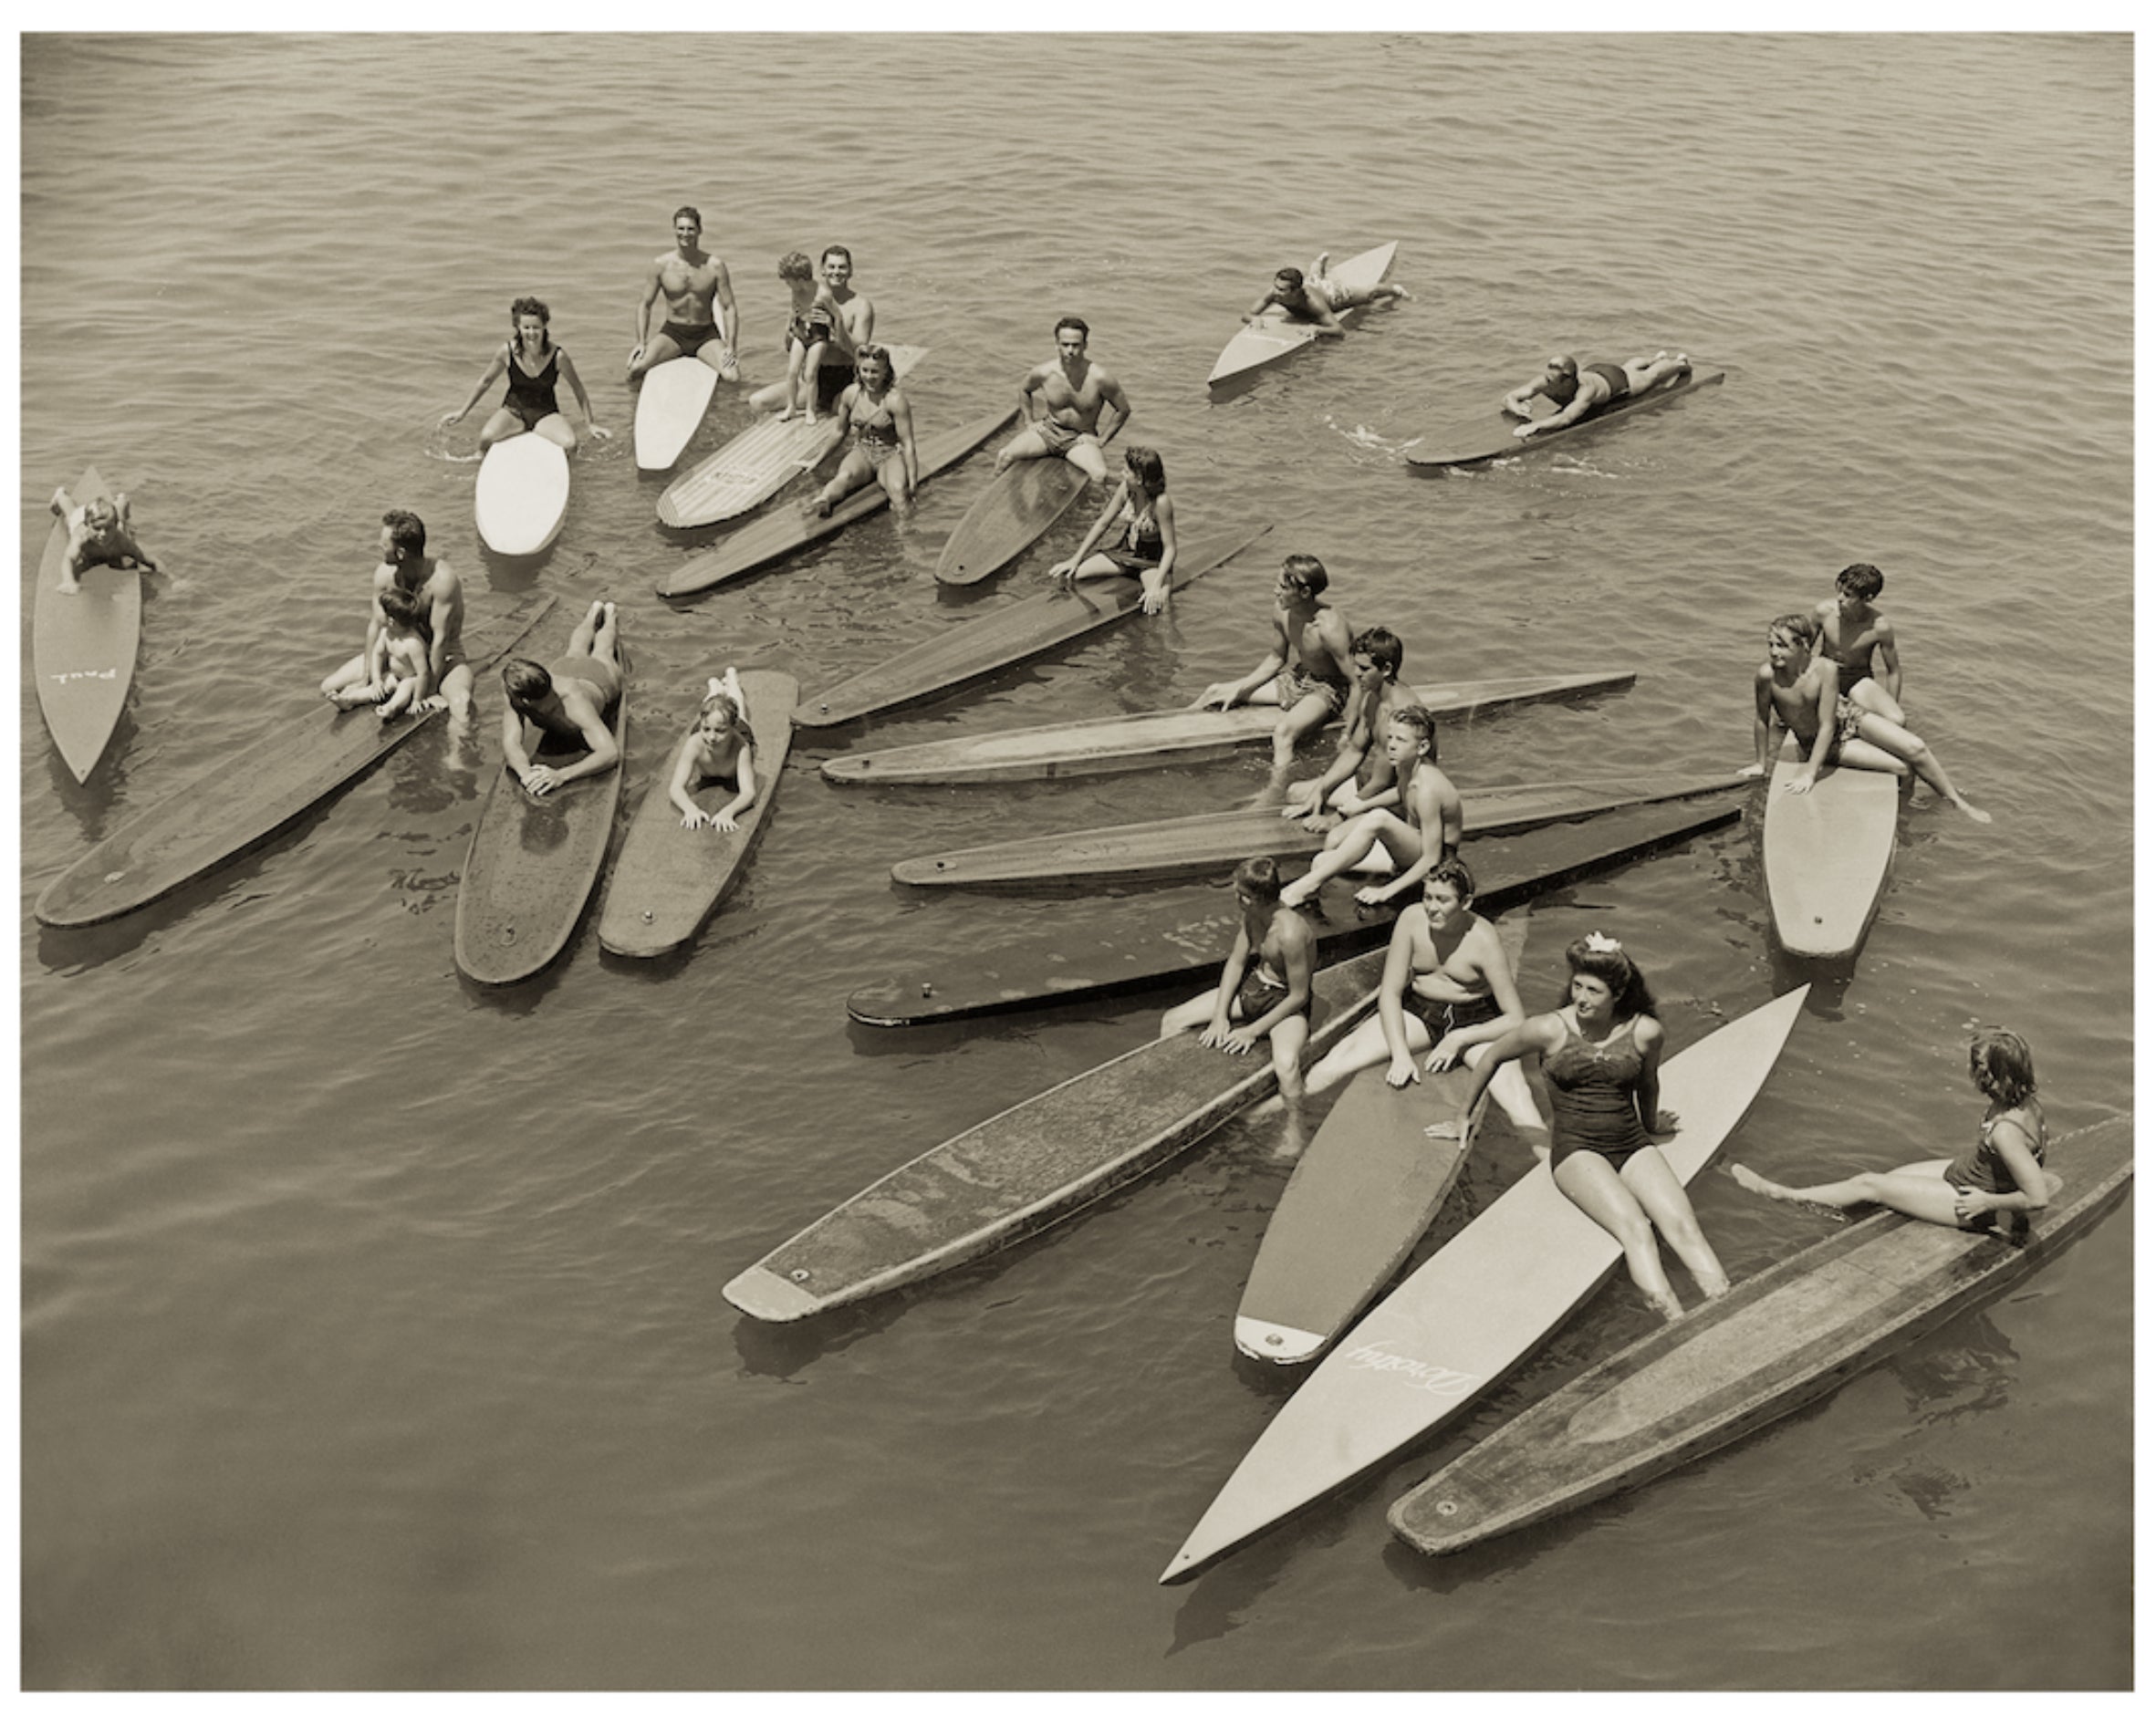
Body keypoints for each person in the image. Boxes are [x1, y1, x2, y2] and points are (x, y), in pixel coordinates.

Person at [1430, 931, 1730, 1323]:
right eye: (1577, 986)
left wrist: (1652, 1124)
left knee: (1684, 1227)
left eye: (1594, 991)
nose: (1582, 998)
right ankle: (1676, 1323)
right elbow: (1490, 1058)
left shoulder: (1645, 1032)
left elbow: (1648, 1083)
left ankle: (1726, 1308)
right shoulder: (1548, 1030)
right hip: (1577, 1149)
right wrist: (1462, 1117)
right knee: (1637, 1229)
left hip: (1631, 1142)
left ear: (1618, 994)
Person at [1732, 1028, 2060, 1234]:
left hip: (1971, 1203)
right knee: (1891, 1179)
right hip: (1970, 1175)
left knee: (1869, 1182)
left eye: (1976, 1069)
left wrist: (1987, 1203)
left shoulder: (2006, 1132)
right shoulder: (2026, 1101)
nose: (1970, 1073)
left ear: (1991, 1077)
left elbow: (2037, 1198)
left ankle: (1780, 1194)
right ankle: (1844, 1220)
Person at [1302, 857, 1544, 1138]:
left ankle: (1553, 1171)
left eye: (1443, 900)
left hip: (1475, 1018)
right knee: (1336, 1062)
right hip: (1421, 1010)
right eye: (1427, 897)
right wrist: (1401, 1054)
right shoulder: (1411, 919)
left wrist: (1459, 1038)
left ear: (1465, 903)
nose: (1432, 907)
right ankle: (1270, 1117)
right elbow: (1390, 992)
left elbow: (1515, 1018)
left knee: (1516, 1097)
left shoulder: (1483, 940)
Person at [1746, 611, 1989, 821]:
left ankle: (1959, 803)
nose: (1773, 652)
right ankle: (1901, 815)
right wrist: (1761, 764)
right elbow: (1761, 718)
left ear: (1804, 646)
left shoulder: (1825, 669)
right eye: (1770, 645)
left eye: (1781, 646)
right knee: (1904, 768)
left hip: (1848, 716)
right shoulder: (1767, 676)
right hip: (1827, 743)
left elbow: (1829, 722)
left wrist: (1810, 773)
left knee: (1916, 747)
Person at [1159, 857, 1318, 1102]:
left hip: (1284, 1003)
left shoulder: (1291, 933)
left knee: (1286, 1066)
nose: (1235, 897)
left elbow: (1299, 996)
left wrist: (1252, 1031)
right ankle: (1174, 1092)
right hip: (1254, 988)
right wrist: (1219, 1016)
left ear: (1251, 899)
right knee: (1172, 1020)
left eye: (1239, 892)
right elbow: (1236, 962)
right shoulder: (1252, 916)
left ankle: (1295, 1134)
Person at [1278, 705, 1461, 910]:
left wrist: (1386, 891)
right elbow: (1403, 792)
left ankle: (1305, 885)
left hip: (1440, 864)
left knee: (1378, 818)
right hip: (1410, 852)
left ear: (1422, 747)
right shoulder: (1406, 766)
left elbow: (1431, 859)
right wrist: (1362, 805)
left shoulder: (1428, 789)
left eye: (1401, 740)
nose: (1391, 745)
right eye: (1390, 737)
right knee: (1322, 861)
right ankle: (1310, 894)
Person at [1191, 554, 1357, 773]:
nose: (1275, 591)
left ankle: (1274, 791)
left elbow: (1356, 681)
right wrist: (1239, 690)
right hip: (1299, 678)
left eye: (1283, 587)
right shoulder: (1281, 610)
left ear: (1305, 592)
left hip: (1329, 688)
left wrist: (1349, 732)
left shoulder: (1330, 628)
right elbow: (1276, 658)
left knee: (1283, 733)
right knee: (1214, 693)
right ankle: (1171, 729)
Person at [318, 510, 474, 721]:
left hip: (444, 657)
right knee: (328, 686)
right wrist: (367, 677)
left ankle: (454, 753)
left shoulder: (442, 581)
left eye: (383, 544)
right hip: (398, 652)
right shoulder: (384, 575)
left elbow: (441, 640)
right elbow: (376, 625)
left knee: (460, 703)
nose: (378, 546)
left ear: (400, 553)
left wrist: (429, 690)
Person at [1281, 625, 1412, 828]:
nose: (1356, 674)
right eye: (1355, 666)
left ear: (1386, 669)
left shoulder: (1399, 716)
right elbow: (1355, 750)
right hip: (1372, 785)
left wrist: (1335, 819)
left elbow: (1381, 782)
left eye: (1365, 669)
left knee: (1333, 837)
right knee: (1295, 793)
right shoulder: (1372, 697)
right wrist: (1321, 790)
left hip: (1398, 799)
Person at [441, 296, 608, 452]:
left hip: (546, 413)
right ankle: (480, 464)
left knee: (570, 444)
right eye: (526, 327)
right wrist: (462, 412)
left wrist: (591, 424)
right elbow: (485, 382)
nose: (531, 333)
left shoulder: (558, 356)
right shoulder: (507, 351)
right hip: (513, 411)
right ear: (518, 328)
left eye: (536, 327)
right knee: (485, 439)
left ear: (544, 327)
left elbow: (578, 389)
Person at [498, 599, 623, 797]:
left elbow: (610, 753)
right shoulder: (513, 695)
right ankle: (592, 615)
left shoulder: (574, 703)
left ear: (526, 702)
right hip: (563, 668)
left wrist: (561, 775)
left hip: (596, 677)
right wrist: (526, 774)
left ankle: (610, 616)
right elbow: (511, 742)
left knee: (602, 651)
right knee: (575, 649)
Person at [991, 316, 1131, 485]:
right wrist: (1029, 421)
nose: (1070, 350)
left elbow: (1123, 410)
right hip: (1048, 432)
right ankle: (997, 501)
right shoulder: (1044, 372)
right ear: (1056, 344)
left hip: (1079, 439)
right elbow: (1024, 389)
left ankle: (1097, 506)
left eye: (1076, 345)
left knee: (1099, 475)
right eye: (1065, 345)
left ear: (1085, 345)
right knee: (1004, 455)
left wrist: (1102, 440)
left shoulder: (1100, 377)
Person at [1047, 444, 1176, 613]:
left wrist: (1157, 584)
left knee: (1160, 605)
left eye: (1126, 471)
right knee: (1073, 575)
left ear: (1139, 479)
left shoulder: (1161, 503)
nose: (1121, 474)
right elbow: (1103, 523)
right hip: (1125, 552)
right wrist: (1075, 559)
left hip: (1151, 561)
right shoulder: (1126, 489)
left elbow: (1170, 548)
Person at [749, 245, 872, 418]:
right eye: (831, 267)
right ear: (822, 270)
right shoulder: (805, 295)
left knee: (841, 413)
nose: (836, 272)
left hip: (845, 378)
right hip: (814, 379)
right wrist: (795, 327)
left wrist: (835, 327)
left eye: (842, 267)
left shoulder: (861, 306)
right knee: (758, 401)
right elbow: (788, 345)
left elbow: (861, 356)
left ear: (850, 271)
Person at [629, 205, 740, 381]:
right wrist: (641, 342)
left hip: (705, 335)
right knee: (636, 369)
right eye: (681, 228)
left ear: (699, 230)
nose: (685, 233)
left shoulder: (715, 266)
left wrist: (731, 346)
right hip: (673, 333)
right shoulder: (661, 265)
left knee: (732, 377)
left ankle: (723, 407)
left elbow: (729, 307)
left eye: (690, 229)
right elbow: (645, 304)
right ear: (674, 230)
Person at [811, 345, 918, 516]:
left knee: (898, 492)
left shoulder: (895, 400)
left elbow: (908, 443)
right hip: (862, 452)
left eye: (875, 372)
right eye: (865, 370)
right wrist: (817, 460)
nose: (869, 377)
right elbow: (839, 432)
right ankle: (824, 499)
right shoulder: (850, 394)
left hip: (889, 455)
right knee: (844, 476)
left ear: (886, 372)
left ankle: (905, 534)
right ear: (858, 370)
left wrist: (913, 481)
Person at [1504, 351, 1692, 437]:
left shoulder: (1586, 391)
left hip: (1615, 382)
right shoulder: (1545, 380)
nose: (1549, 383)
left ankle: (1677, 363)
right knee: (1627, 367)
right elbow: (1509, 398)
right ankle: (1654, 357)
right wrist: (1519, 410)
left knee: (1649, 377)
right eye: (1549, 378)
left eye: (1555, 380)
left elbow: (1567, 418)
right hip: (1597, 370)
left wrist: (1536, 425)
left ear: (1568, 378)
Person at [667, 670, 761, 833]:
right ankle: (714, 689)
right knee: (712, 709)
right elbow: (676, 788)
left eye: (720, 731)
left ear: (731, 728)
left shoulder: (741, 748)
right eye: (707, 729)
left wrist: (728, 812)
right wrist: (690, 809)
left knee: (739, 709)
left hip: (737, 730)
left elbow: (749, 793)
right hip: (706, 727)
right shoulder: (695, 743)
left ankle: (732, 681)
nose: (711, 738)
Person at [1811, 561, 1904, 723]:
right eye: (1840, 591)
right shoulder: (1824, 612)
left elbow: (1893, 671)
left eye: (1848, 595)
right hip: (1824, 676)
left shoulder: (1879, 628)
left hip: (1857, 681)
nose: (1840, 599)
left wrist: (1892, 704)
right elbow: (1801, 653)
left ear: (1868, 598)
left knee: (1897, 720)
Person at [323, 584, 432, 720]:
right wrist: (376, 679)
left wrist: (418, 699)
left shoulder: (413, 643)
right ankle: (349, 700)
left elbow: (423, 673)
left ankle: (391, 707)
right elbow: (378, 653)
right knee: (376, 688)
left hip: (412, 679)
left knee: (406, 686)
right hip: (394, 676)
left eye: (386, 614)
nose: (383, 616)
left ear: (391, 620)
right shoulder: (387, 633)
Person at [1241, 255, 1410, 334]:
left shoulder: (1313, 303)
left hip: (1333, 295)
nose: (1276, 292)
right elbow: (1247, 314)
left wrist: (1317, 329)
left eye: (1282, 290)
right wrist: (1253, 319)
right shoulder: (1275, 292)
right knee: (1314, 278)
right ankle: (1319, 262)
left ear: (1296, 291)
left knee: (1368, 294)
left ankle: (1395, 289)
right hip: (1312, 285)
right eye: (1276, 287)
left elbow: (1338, 330)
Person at [48, 483, 161, 592]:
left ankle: (122, 500)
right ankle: (61, 496)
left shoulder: (122, 541)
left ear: (114, 526)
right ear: (88, 526)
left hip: (111, 523)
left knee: (121, 518)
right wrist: (69, 581)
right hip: (80, 520)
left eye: (108, 529)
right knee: (70, 513)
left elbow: (151, 561)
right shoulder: (82, 538)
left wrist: (171, 579)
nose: (103, 534)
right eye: (97, 529)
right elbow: (69, 559)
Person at [775, 251, 841, 422]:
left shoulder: (823, 294)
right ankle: (791, 407)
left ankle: (811, 410)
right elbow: (792, 310)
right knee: (792, 371)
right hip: (800, 330)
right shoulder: (796, 291)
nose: (787, 285)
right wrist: (787, 331)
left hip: (818, 335)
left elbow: (838, 315)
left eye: (789, 282)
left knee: (811, 374)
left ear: (801, 280)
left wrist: (834, 330)